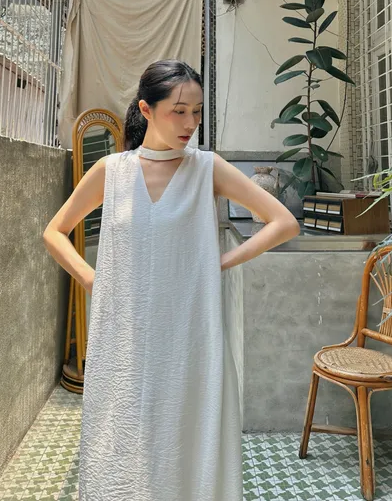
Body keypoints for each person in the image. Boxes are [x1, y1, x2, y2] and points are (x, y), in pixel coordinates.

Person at [43, 59, 300, 501]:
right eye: (178, 111)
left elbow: (283, 222)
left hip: (191, 338)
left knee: (188, 444)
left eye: (196, 112)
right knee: (120, 445)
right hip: (123, 341)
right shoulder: (111, 171)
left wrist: (220, 262)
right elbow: (55, 232)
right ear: (147, 110)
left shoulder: (208, 168)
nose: (190, 123)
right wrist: (92, 280)